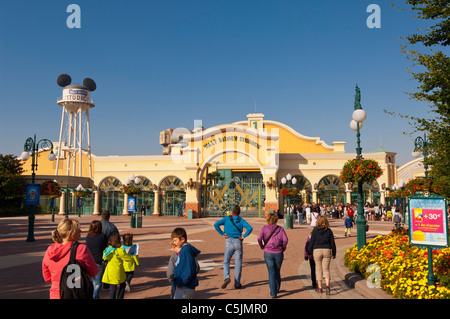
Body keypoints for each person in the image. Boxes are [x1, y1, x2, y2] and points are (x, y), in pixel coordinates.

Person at [42, 218, 98, 299]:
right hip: (75, 293)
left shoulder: (50, 251)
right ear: (70, 233)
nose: (80, 232)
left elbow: (47, 277)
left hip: (55, 294)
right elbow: (94, 272)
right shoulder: (81, 249)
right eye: (78, 230)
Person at [214, 205, 253, 289]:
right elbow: (250, 228)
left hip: (228, 241)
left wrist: (222, 233)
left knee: (226, 261)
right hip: (238, 241)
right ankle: (237, 283)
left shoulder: (226, 219)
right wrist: (244, 235)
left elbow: (216, 224)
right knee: (238, 263)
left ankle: (227, 277)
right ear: (239, 212)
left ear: (232, 211)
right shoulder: (241, 220)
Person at [257, 211, 288, 298]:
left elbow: (259, 238)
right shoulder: (280, 229)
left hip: (268, 252)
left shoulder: (264, 228)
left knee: (271, 272)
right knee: (277, 270)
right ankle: (277, 287)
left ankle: (273, 292)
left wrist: (262, 245)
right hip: (278, 252)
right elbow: (285, 240)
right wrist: (283, 247)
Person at [307, 216, 336, 295]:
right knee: (326, 269)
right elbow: (332, 243)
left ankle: (320, 287)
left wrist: (309, 252)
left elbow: (311, 242)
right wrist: (334, 252)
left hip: (317, 250)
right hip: (327, 250)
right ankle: (327, 286)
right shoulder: (329, 231)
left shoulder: (315, 230)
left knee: (318, 269)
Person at [171, 227, 201, 299]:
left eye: (175, 240)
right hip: (185, 286)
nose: (174, 243)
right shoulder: (185, 250)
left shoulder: (185, 251)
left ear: (182, 239)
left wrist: (180, 283)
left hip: (184, 287)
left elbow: (188, 270)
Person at [102, 233, 133, 299]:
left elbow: (104, 257)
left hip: (110, 271)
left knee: (112, 287)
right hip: (118, 271)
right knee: (122, 284)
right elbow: (128, 258)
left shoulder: (108, 249)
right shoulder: (120, 251)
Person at [85, 220, 107, 299]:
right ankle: (95, 296)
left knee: (93, 280)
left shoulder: (88, 236)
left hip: (89, 260)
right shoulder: (102, 236)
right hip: (98, 260)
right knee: (98, 281)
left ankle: (95, 295)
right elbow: (105, 248)